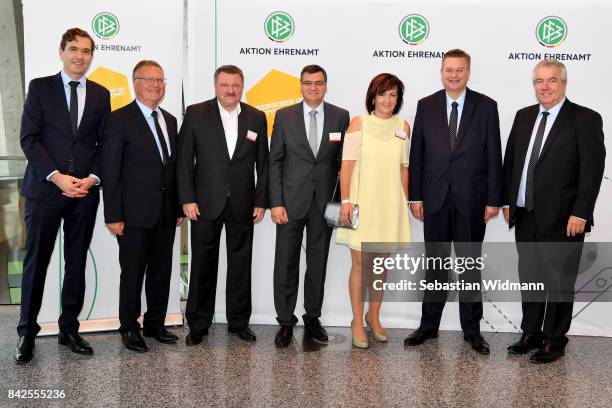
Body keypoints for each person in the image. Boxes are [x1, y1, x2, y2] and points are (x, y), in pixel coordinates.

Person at [14, 28, 110, 364]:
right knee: (36, 263)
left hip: (84, 193)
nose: (79, 56)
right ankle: (27, 333)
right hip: (45, 191)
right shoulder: (40, 88)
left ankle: (69, 328)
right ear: (61, 52)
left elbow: (103, 145)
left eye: (86, 51)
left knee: (76, 263)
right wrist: (57, 178)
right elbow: (29, 139)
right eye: (73, 49)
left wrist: (92, 178)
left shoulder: (100, 94)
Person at [503, 60, 605, 363]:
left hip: (565, 219)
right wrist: (510, 202)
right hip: (526, 214)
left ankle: (554, 340)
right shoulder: (523, 117)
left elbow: (592, 171)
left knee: (559, 283)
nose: (544, 87)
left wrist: (581, 213)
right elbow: (512, 163)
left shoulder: (585, 119)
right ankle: (530, 333)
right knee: (531, 277)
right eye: (539, 81)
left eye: (551, 81)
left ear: (564, 83)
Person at [406, 49, 503, 354]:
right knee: (435, 266)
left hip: (471, 202)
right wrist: (416, 196)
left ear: (468, 73)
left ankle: (472, 331)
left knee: (470, 267)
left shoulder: (486, 107)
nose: (454, 75)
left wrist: (493, 200)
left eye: (460, 70)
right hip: (434, 200)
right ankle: (428, 326)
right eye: (449, 69)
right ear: (441, 71)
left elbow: (493, 155)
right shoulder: (426, 105)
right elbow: (417, 155)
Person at [177, 65, 268, 345]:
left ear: (243, 87)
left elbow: (263, 164)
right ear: (215, 86)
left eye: (236, 85)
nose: (230, 90)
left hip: (242, 203)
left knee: (241, 264)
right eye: (225, 85)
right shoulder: (196, 113)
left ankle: (239, 322)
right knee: (203, 264)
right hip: (204, 203)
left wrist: (261, 200)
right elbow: (184, 161)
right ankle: (198, 324)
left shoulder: (257, 116)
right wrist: (187, 199)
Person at [103, 60, 183, 352]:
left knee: (162, 271)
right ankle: (129, 327)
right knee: (133, 273)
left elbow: (172, 170)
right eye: (148, 80)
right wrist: (113, 214)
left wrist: (176, 208)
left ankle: (155, 323)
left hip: (165, 212)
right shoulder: (119, 119)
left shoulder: (171, 120)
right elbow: (110, 171)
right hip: (133, 214)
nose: (155, 85)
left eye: (160, 80)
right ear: (134, 83)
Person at [269, 65, 350, 348]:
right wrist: (276, 203)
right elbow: (275, 162)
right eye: (307, 83)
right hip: (290, 204)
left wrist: (339, 206)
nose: (313, 88)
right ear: (300, 86)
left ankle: (312, 317)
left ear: (326, 85)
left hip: (325, 205)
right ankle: (285, 322)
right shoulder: (284, 116)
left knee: (318, 264)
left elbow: (343, 166)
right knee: (286, 264)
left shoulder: (341, 116)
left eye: (318, 83)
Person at [336, 73, 411, 349]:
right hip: (361, 204)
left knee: (380, 267)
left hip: (390, 205)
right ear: (372, 97)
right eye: (382, 94)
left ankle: (374, 317)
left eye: (393, 95)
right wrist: (346, 202)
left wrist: (407, 201)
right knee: (360, 265)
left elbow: (404, 168)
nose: (387, 100)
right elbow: (347, 165)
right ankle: (357, 320)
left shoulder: (403, 126)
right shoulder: (359, 124)